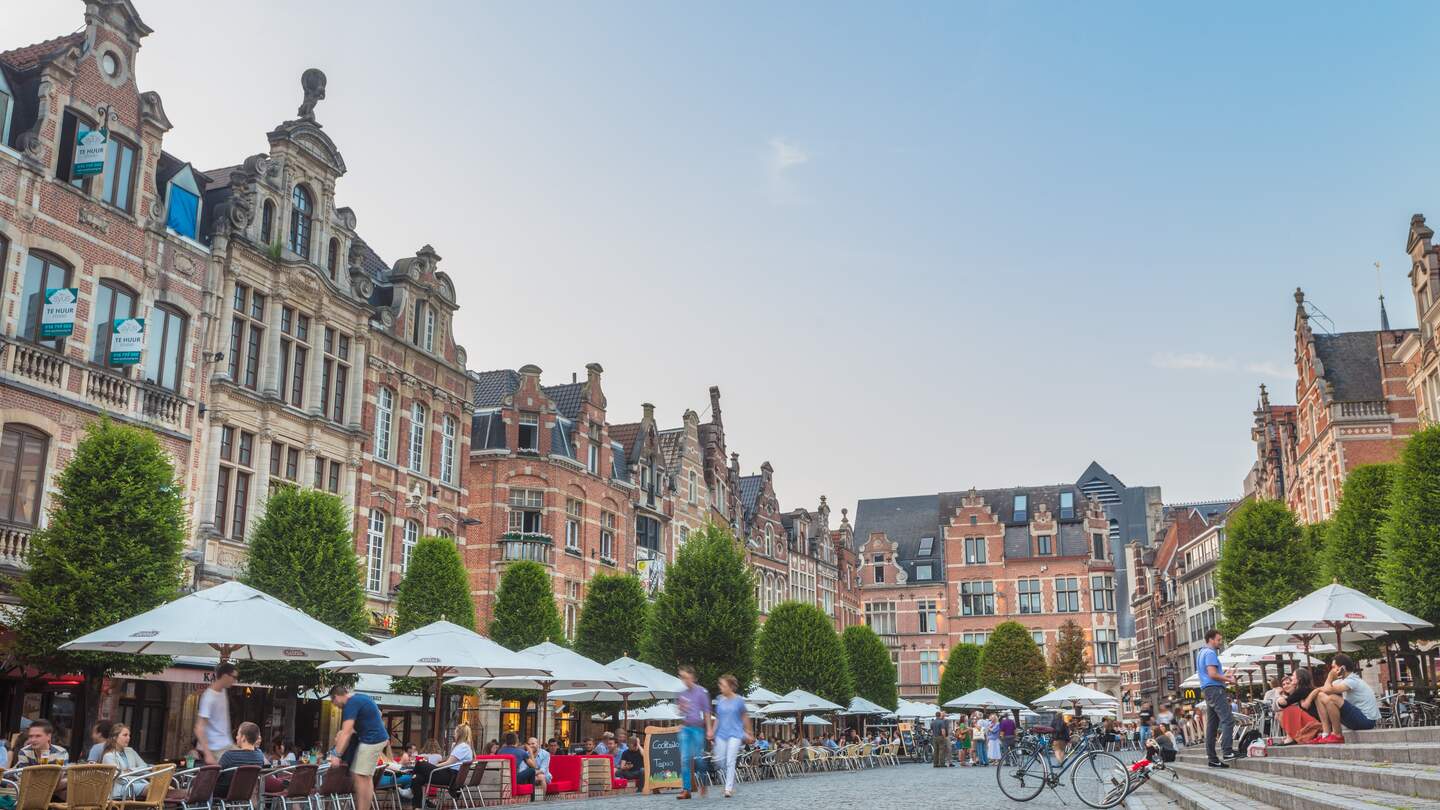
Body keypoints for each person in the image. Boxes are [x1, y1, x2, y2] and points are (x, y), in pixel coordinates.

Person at [328, 685, 389, 810]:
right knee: (365, 777)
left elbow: (346, 732)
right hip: (377, 739)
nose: (335, 705)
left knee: (359, 775)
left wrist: (336, 754)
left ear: (337, 697)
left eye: (333, 702)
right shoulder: (361, 697)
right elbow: (378, 712)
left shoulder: (350, 704)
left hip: (371, 740)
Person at [1310, 653, 1380, 743]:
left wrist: (1330, 676)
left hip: (1366, 721)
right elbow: (1323, 690)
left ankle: (1337, 735)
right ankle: (1326, 734)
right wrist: (1311, 697)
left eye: (1333, 667)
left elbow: (1327, 690)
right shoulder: (1342, 681)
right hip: (1357, 719)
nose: (1331, 670)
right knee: (1320, 696)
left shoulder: (1353, 681)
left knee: (1332, 698)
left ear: (1342, 668)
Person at [1195, 628, 1236, 767]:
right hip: (1215, 689)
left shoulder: (1201, 653)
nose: (1220, 642)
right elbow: (1212, 674)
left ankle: (1212, 758)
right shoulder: (1211, 653)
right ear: (1211, 639)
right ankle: (1227, 751)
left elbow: (1209, 674)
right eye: (1218, 640)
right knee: (1228, 720)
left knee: (1212, 726)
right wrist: (1229, 680)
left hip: (1207, 690)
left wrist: (1225, 675)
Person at [410, 725, 474, 809]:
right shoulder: (464, 746)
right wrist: (432, 767)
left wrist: (433, 767)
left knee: (420, 763)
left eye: (455, 731)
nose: (454, 734)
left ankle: (410, 789)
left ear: (460, 733)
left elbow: (449, 762)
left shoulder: (462, 747)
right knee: (417, 778)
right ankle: (417, 807)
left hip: (450, 777)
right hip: (451, 776)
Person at [708, 673, 752, 799]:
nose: (720, 686)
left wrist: (749, 732)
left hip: (735, 733)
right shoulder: (720, 699)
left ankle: (728, 788)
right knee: (720, 759)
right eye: (720, 684)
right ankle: (728, 783)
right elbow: (718, 717)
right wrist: (712, 731)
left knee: (730, 760)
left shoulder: (739, 700)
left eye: (722, 684)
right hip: (721, 734)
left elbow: (744, 716)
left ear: (731, 686)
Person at [675, 664, 711, 800]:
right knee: (684, 759)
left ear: (692, 677)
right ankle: (686, 790)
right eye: (682, 678)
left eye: (686, 677)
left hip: (697, 729)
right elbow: (680, 711)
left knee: (699, 759)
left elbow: (707, 712)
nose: (684, 680)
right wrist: (681, 708)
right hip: (685, 728)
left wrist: (709, 730)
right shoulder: (681, 694)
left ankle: (703, 783)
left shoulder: (702, 692)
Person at [196, 662, 238, 765]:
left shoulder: (223, 690)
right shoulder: (209, 697)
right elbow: (199, 728)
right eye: (234, 677)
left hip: (227, 744)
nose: (235, 680)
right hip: (216, 748)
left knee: (247, 764)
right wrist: (208, 754)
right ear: (225, 676)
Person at [216, 722, 266, 797]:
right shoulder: (260, 756)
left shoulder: (229, 756)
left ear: (243, 738)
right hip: (245, 793)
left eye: (238, 734)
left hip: (223, 793)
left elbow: (214, 775)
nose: (236, 737)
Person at [101, 724, 149, 799]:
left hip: (136, 783)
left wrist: (130, 770)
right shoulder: (109, 756)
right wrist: (136, 774)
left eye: (129, 735)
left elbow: (145, 768)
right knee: (154, 788)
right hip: (120, 789)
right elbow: (119, 778)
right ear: (114, 737)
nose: (128, 738)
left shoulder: (130, 751)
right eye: (125, 735)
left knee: (161, 787)